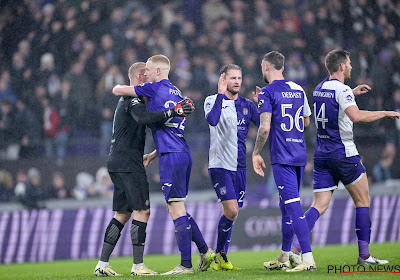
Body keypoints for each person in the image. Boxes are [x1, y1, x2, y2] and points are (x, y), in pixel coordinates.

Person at [290, 49, 400, 265]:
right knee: (362, 200)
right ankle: (364, 255)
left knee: (319, 205)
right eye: (348, 63)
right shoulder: (342, 91)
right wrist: (385, 113)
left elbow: (335, 99)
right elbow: (356, 116)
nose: (350, 67)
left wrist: (351, 92)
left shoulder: (320, 88)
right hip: (344, 154)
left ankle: (294, 249)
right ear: (341, 66)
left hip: (322, 155)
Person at [113, 54, 215, 275]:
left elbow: (118, 90)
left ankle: (186, 265)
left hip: (171, 156)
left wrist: (128, 86)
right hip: (180, 152)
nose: (146, 73)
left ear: (159, 71)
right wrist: (153, 154)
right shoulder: (177, 93)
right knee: (179, 207)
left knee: (175, 208)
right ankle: (206, 252)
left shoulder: (153, 88)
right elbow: (171, 129)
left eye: (148, 69)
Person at [94, 62, 195, 277]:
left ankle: (102, 264)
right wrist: (173, 111)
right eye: (146, 74)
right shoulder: (135, 99)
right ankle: (138, 266)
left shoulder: (126, 99)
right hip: (130, 163)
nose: (149, 77)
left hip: (117, 161)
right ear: (140, 76)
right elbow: (144, 118)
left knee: (122, 213)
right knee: (143, 211)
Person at [252, 51, 316, 272]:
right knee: (286, 205)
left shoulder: (267, 92)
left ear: (266, 66)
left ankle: (307, 259)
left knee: (293, 205)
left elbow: (265, 127)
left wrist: (256, 152)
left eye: (262, 67)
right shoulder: (298, 89)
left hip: (282, 156)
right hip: (298, 154)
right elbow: (306, 122)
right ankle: (284, 255)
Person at [203, 64, 259, 270]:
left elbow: (265, 124)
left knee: (232, 214)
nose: (236, 81)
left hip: (240, 167)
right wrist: (219, 94)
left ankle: (219, 258)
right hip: (220, 166)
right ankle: (220, 254)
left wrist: (263, 105)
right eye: (232, 78)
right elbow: (212, 120)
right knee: (232, 210)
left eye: (239, 78)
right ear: (223, 79)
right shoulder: (212, 100)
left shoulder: (246, 104)